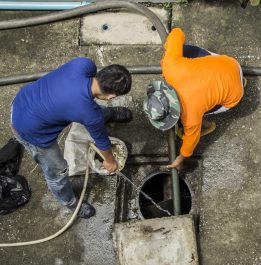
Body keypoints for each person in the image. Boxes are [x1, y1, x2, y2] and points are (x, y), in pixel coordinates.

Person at [10, 57, 132, 218]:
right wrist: (110, 161)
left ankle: (108, 114)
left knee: (89, 110)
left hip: (23, 100)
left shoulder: (83, 64)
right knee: (57, 171)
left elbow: (87, 106)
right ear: (111, 96)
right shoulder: (89, 114)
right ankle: (69, 202)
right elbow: (102, 141)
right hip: (29, 130)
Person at [147, 27, 245, 170]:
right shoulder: (170, 66)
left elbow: (190, 142)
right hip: (231, 65)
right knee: (184, 50)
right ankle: (242, 80)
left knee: (200, 112)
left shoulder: (189, 116)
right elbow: (178, 32)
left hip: (234, 95)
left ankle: (208, 126)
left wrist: (179, 160)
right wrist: (168, 51)